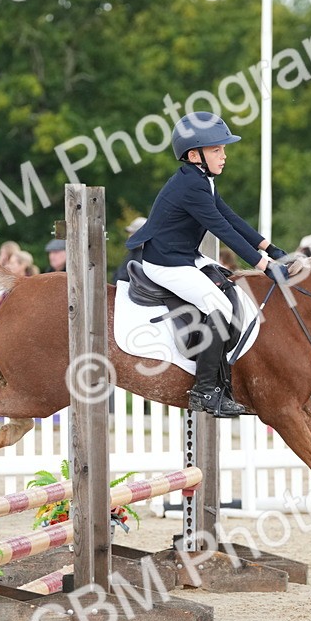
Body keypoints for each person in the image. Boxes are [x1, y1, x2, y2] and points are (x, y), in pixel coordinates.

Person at [125, 111, 291, 418]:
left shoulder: (201, 180)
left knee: (228, 291)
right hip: (166, 263)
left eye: (223, 149)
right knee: (221, 307)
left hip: (184, 256)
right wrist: (265, 266)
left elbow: (231, 218)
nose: (224, 156)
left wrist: (271, 249)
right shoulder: (191, 186)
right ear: (194, 155)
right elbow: (222, 230)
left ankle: (220, 382)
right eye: (217, 150)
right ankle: (205, 391)